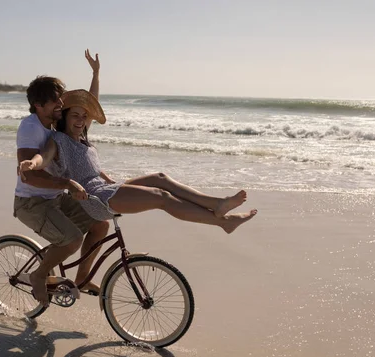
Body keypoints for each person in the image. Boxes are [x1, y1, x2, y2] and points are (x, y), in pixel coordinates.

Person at [19, 89, 258, 234]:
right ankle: (223, 222)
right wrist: (32, 163)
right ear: (66, 117)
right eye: (75, 115)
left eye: (84, 116)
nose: (81, 120)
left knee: (160, 178)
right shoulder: (58, 139)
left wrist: (96, 74)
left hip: (106, 187)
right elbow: (44, 157)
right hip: (94, 198)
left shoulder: (82, 137)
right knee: (160, 197)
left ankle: (217, 203)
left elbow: (91, 102)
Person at [14, 50, 107, 308]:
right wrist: (64, 182)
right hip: (31, 203)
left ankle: (84, 279)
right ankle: (39, 274)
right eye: (55, 102)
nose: (60, 106)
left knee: (100, 221)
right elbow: (31, 175)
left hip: (55, 198)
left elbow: (87, 108)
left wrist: (96, 74)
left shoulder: (56, 125)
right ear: (38, 106)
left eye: (60, 100)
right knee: (73, 240)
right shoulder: (30, 128)